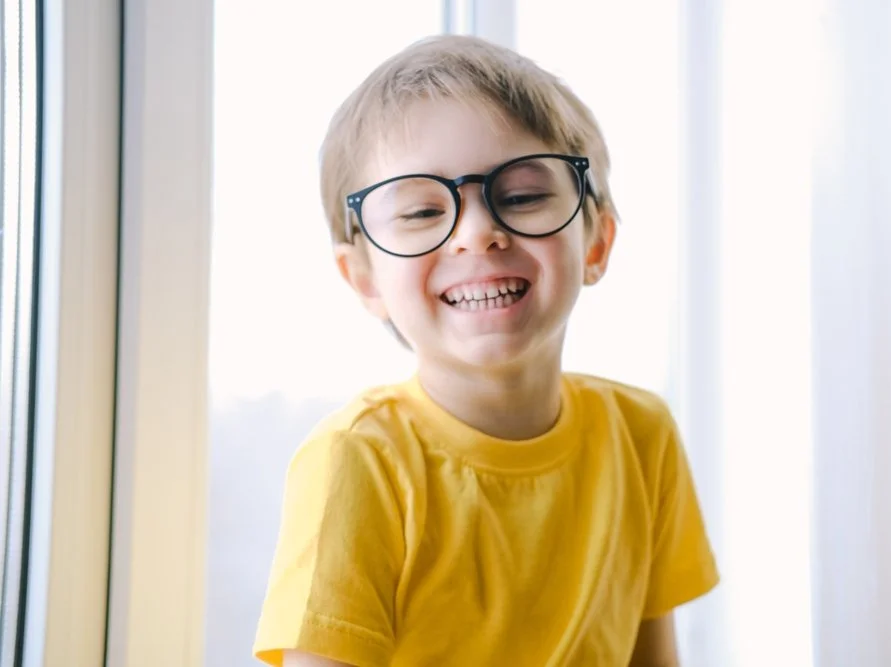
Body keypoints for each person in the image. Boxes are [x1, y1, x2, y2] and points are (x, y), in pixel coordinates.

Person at [252, 34, 718, 667]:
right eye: (420, 212)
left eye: (522, 196)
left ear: (597, 244)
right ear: (363, 278)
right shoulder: (357, 462)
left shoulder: (642, 437)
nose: (478, 233)